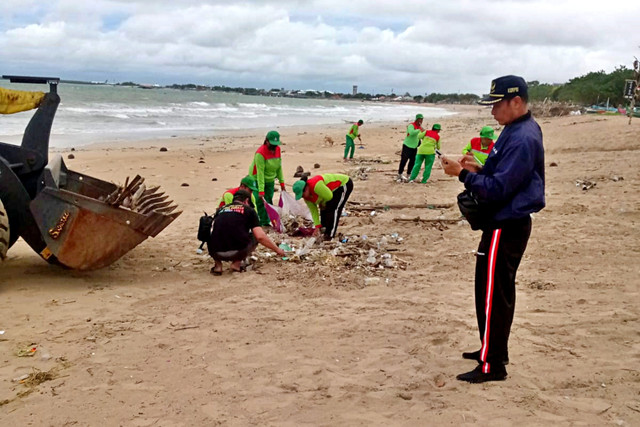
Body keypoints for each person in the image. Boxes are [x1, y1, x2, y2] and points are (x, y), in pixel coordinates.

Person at [441, 75, 545, 383]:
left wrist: (463, 175)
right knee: (489, 291)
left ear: (516, 102)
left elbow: (498, 189)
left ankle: (492, 364)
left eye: (495, 105)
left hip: (507, 223)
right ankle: (492, 349)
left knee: (494, 294)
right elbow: (503, 176)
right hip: (502, 222)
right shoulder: (514, 130)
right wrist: (477, 169)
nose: (491, 112)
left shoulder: (523, 136)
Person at [208, 190, 285, 275]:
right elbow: (260, 237)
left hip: (215, 252)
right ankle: (236, 264)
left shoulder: (220, 210)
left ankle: (218, 266)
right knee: (254, 236)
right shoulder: (249, 211)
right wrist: (277, 250)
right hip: (237, 253)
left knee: (213, 233)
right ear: (247, 201)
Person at [292, 173, 353, 240]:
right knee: (323, 210)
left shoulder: (316, 186)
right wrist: (317, 226)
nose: (303, 197)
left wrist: (322, 204)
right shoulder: (306, 198)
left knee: (333, 209)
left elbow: (329, 196)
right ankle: (324, 231)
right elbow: (313, 210)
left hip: (343, 184)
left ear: (306, 188)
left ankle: (330, 235)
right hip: (329, 193)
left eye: (302, 194)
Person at [249, 130, 286, 226]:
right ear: (266, 141)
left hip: (270, 178)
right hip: (257, 178)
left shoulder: (278, 149)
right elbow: (260, 172)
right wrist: (261, 190)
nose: (274, 147)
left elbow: (279, 167)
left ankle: (268, 220)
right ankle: (263, 222)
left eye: (275, 144)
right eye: (272, 144)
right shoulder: (260, 154)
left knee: (269, 199)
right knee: (259, 200)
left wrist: (282, 182)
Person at [397, 114, 426, 182]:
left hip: (414, 147)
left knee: (412, 161)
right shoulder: (411, 125)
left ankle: (409, 174)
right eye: (419, 119)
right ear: (416, 119)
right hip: (407, 146)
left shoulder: (419, 127)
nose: (420, 121)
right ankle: (399, 174)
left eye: (421, 120)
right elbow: (411, 133)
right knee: (404, 160)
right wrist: (419, 130)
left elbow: (421, 136)